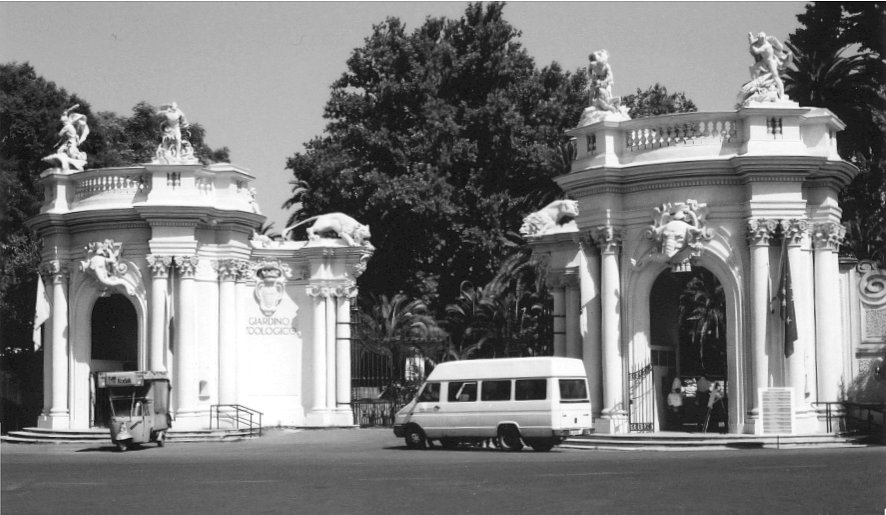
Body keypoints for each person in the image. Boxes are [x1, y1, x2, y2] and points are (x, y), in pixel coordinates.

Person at [747, 32, 792, 100]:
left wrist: (752, 46)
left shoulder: (766, 45)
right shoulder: (761, 40)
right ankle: (755, 84)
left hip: (771, 62)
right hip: (764, 62)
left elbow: (756, 51)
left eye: (761, 39)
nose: (760, 41)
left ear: (764, 38)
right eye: (759, 39)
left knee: (776, 77)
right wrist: (750, 38)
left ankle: (781, 94)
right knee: (752, 67)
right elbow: (754, 41)